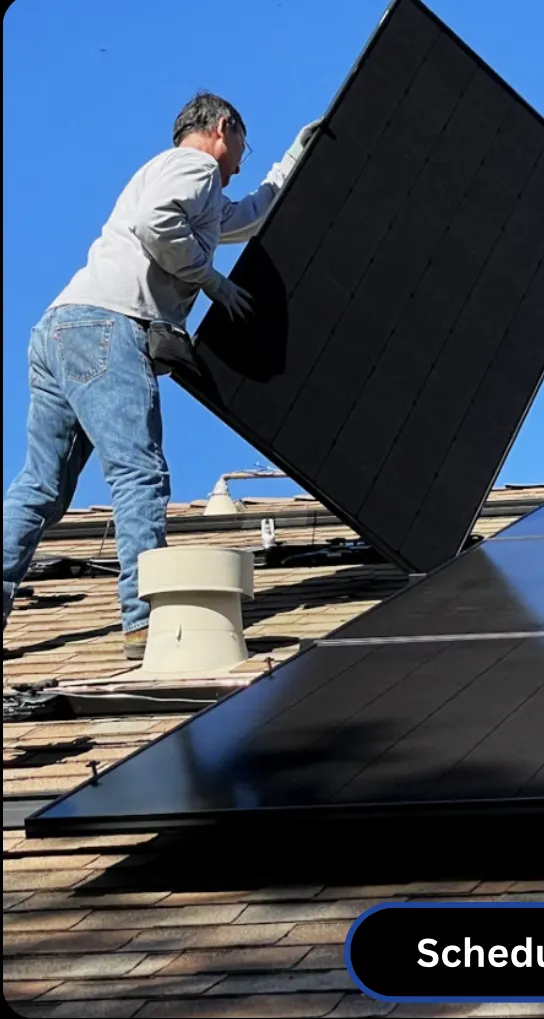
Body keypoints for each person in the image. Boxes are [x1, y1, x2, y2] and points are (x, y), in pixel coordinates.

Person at [2, 92, 322, 660]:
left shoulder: (180, 179)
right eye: (245, 144)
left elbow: (246, 218)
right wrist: (211, 282)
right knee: (139, 472)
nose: (244, 159)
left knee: (41, 488)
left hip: (60, 329)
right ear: (224, 128)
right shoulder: (194, 166)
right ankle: (144, 621)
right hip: (108, 326)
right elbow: (158, 224)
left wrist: (295, 157)